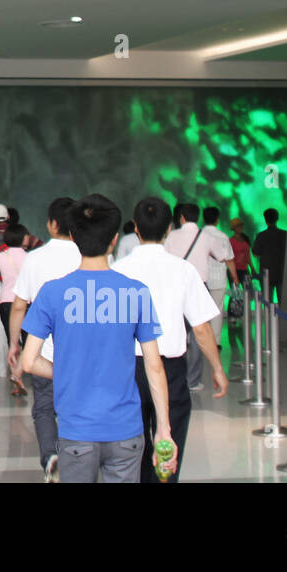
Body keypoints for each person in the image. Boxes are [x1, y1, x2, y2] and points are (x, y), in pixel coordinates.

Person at [19, 194, 176, 484]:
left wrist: (64, 373)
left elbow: (28, 362)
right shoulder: (136, 292)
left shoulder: (52, 293)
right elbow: (154, 366)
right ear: (114, 239)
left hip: (76, 433)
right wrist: (164, 429)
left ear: (74, 236)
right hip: (126, 433)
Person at [113, 197, 228, 483]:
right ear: (168, 229)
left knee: (133, 443)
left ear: (136, 228)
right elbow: (201, 328)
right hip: (171, 368)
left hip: (129, 369)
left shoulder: (116, 271)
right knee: (169, 446)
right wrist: (217, 368)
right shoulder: (182, 270)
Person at [8, 196, 80, 481]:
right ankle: (77, 459)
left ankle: (50, 454)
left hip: (44, 350)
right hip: (82, 351)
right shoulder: (88, 256)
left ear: (51, 225)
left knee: (44, 408)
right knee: (77, 406)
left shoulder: (34, 259)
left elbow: (18, 305)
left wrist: (15, 342)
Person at [164, 203, 233, 389]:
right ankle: (192, 380)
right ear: (197, 217)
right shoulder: (207, 236)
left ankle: (173, 378)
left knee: (177, 333)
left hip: (175, 287)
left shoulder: (172, 236)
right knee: (198, 335)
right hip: (199, 287)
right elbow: (221, 256)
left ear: (181, 218)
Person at [0, 223, 30, 397]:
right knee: (29, 340)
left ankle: (17, 377)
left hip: (6, 302)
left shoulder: (0, 257)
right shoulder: (29, 257)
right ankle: (26, 374)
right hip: (27, 302)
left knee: (12, 341)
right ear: (23, 238)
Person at [200, 206, 240, 337]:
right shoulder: (223, 236)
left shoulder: (198, 235)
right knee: (217, 310)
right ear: (217, 220)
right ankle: (215, 341)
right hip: (218, 279)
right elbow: (229, 260)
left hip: (201, 279)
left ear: (203, 219)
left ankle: (200, 341)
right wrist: (235, 277)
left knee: (200, 311)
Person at [252, 208, 287, 302]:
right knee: (283, 302)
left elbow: (255, 253)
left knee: (267, 302)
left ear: (265, 219)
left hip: (266, 273)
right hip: (282, 271)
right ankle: (283, 317)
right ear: (277, 218)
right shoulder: (285, 234)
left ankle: (270, 317)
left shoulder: (261, 235)